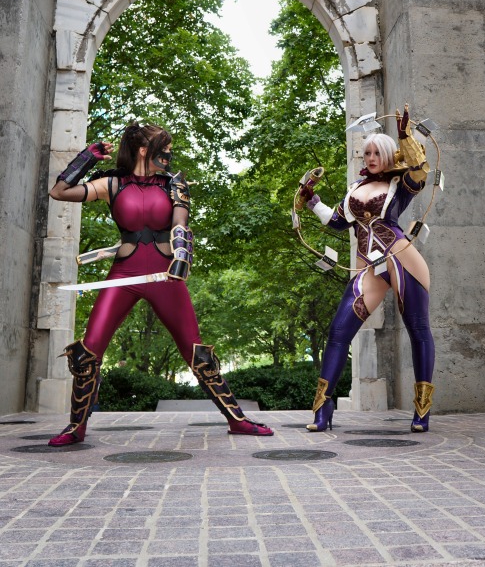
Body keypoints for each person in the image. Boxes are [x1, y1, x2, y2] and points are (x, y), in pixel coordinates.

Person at [47, 122, 274, 446]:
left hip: (165, 276)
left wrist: (183, 253)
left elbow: (180, 223)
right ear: (143, 150)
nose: (169, 154)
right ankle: (75, 428)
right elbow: (59, 192)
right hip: (124, 275)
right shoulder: (112, 183)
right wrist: (87, 158)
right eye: (163, 148)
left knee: (197, 352)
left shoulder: (174, 184)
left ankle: (237, 419)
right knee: (87, 353)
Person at [301, 105, 435, 433]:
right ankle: (322, 410)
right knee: (338, 333)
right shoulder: (354, 191)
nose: (370, 157)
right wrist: (311, 199)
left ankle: (422, 411)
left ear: (389, 155)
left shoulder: (399, 185)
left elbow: (420, 173)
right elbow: (336, 221)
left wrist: (405, 137)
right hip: (368, 269)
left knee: (417, 330)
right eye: (367, 152)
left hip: (401, 258)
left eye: (377, 152)